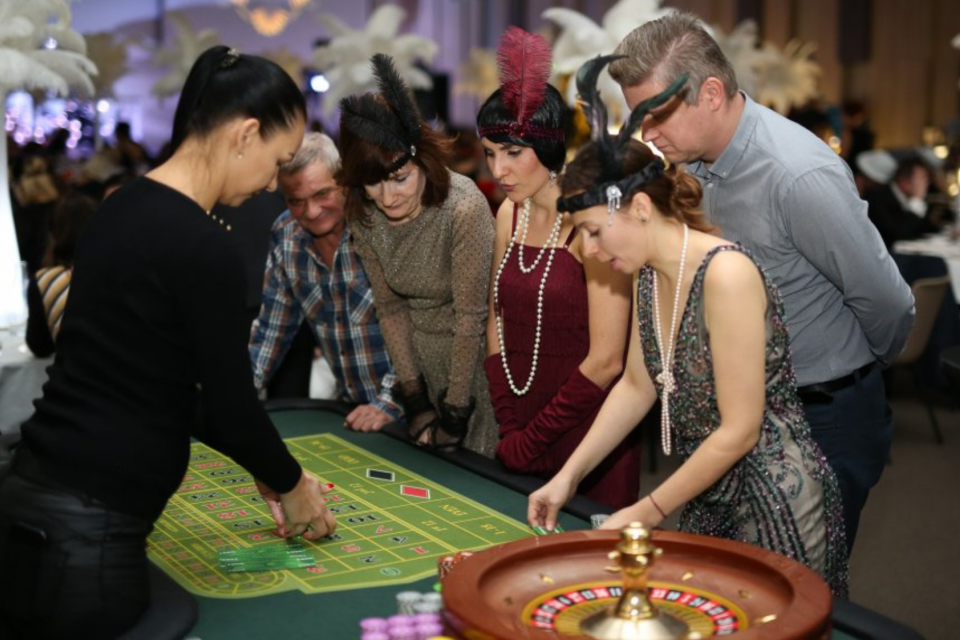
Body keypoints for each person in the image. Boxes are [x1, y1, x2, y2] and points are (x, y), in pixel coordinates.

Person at [0, 46, 336, 640]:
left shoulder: (118, 207)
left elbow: (160, 388)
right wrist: (293, 484)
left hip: (28, 494)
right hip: (90, 535)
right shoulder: (203, 245)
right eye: (277, 161)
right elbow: (232, 409)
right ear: (245, 135)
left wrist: (264, 466)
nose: (270, 184)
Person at [528, 56, 848, 597]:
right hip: (704, 491)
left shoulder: (726, 273)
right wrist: (569, 476)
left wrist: (647, 510)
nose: (591, 251)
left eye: (593, 231)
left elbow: (740, 429)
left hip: (776, 500)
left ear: (639, 208)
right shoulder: (647, 272)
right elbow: (636, 386)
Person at [608, 12, 914, 551]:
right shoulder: (688, 163)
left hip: (822, 417)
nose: (647, 135)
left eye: (656, 115)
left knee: (799, 585)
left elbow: (887, 303)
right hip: (736, 417)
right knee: (729, 581)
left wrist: (857, 376)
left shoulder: (798, 176)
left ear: (710, 93)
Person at [476, 27, 639, 509]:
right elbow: (496, 316)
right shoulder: (510, 212)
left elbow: (607, 361)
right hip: (520, 426)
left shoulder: (591, 221)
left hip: (590, 439)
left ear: (547, 149)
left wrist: (532, 439)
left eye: (513, 153)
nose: (498, 171)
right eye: (490, 154)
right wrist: (511, 425)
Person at [337, 54, 497, 456]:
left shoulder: (462, 207)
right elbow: (390, 307)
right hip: (420, 366)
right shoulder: (363, 212)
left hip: (474, 370)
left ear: (420, 157)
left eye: (400, 178)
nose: (387, 197)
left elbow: (471, 319)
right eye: (373, 183)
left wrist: (455, 412)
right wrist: (415, 398)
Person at [250, 131, 401, 431]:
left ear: (343, 180)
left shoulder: (384, 224)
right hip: (352, 411)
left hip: (415, 411)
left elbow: (424, 331)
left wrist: (389, 401)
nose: (311, 211)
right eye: (296, 201)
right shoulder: (286, 235)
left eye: (321, 194)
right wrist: (232, 396)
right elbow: (270, 332)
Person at [25, 191, 99, 357]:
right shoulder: (120, 268)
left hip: (76, 370)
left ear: (54, 232)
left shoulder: (45, 280)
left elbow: (39, 346)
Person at [866, 157, 951, 250]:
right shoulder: (879, 199)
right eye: (922, 179)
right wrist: (917, 200)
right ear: (905, 182)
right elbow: (899, 233)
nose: (926, 184)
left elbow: (920, 230)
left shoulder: (909, 197)